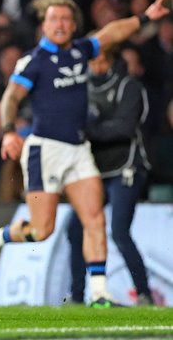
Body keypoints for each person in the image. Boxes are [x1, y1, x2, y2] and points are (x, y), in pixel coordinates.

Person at [0, 0, 169, 308]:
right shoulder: (33, 61)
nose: (60, 24)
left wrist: (144, 18)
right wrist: (8, 132)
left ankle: (100, 295)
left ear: (74, 25)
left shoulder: (80, 50)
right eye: (54, 19)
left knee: (94, 219)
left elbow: (111, 33)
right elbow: (11, 98)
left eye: (66, 18)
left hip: (78, 149)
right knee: (41, 230)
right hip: (44, 150)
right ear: (44, 25)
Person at [67, 43, 153, 305]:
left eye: (102, 61)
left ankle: (144, 294)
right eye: (93, 61)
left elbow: (124, 128)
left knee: (118, 231)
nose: (97, 66)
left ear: (112, 60)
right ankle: (78, 296)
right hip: (94, 169)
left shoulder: (129, 86)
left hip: (126, 166)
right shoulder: (82, 88)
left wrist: (90, 130)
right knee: (75, 229)